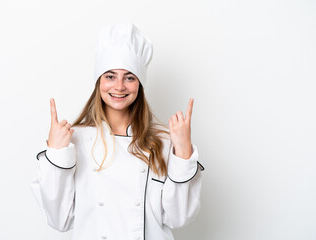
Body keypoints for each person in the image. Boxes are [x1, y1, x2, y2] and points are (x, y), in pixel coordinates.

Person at [30, 23, 204, 240]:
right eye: (110, 76)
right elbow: (59, 219)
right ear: (99, 82)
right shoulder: (73, 139)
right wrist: (56, 154)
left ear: (139, 85)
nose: (119, 86)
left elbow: (178, 218)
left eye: (130, 77)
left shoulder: (164, 141)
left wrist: (183, 153)